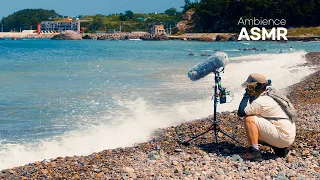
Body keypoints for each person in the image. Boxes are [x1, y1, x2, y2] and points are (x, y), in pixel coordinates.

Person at [238, 73, 296, 161]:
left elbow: (241, 112)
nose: (247, 88)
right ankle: (280, 149)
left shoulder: (262, 101)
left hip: (283, 136)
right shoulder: (271, 94)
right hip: (288, 134)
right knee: (256, 123)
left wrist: (246, 95)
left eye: (249, 87)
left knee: (249, 119)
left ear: (254, 87)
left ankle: (254, 152)